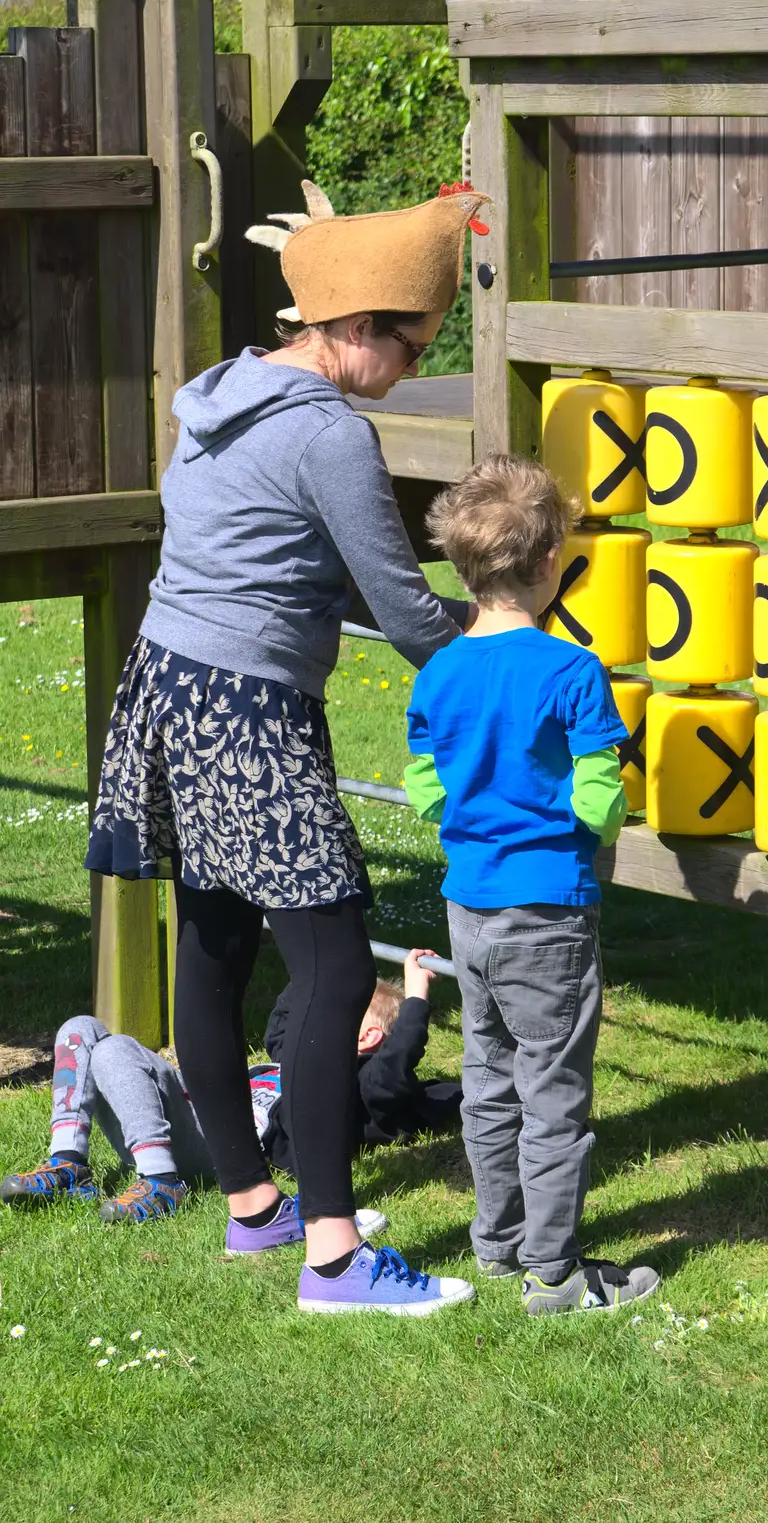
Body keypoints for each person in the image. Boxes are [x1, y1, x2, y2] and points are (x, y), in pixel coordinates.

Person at [84, 180, 488, 1316]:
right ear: (357, 330)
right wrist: (504, 649)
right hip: (247, 710)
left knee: (212, 947)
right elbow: (407, 610)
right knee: (333, 969)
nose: (414, 367)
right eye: (412, 348)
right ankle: (335, 1257)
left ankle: (255, 1210)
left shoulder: (224, 390)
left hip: (168, 685)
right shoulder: (330, 435)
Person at [403, 455, 662, 1316]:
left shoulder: (438, 672)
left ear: (463, 566)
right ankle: (553, 1275)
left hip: (467, 906)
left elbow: (426, 786)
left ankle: (495, 1243)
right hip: (548, 907)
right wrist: (597, 823)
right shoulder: (570, 672)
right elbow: (597, 795)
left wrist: (477, 808)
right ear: (552, 562)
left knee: (487, 1074)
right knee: (552, 1093)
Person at [0, 1015, 386, 1245]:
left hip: (214, 1144)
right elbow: (296, 999)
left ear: (368, 1038)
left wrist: (415, 999)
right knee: (79, 1027)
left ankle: (161, 1180)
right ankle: (68, 1163)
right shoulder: (280, 1062)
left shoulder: (351, 1082)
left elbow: (394, 1079)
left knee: (114, 1049)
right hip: (177, 1108)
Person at [261, 947, 462, 1170]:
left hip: (265, 1145)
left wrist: (416, 996)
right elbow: (283, 1021)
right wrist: (321, 965)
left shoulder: (362, 1085)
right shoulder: (298, 1054)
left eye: (328, 1013)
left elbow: (399, 1053)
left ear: (366, 1037)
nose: (314, 1016)